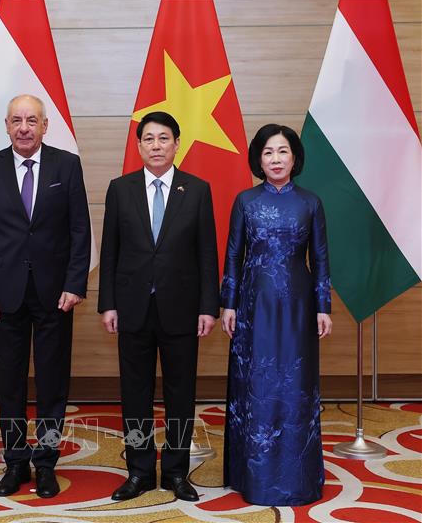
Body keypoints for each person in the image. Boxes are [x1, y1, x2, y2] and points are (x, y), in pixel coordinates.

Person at [0, 94, 91, 498]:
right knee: (10, 384)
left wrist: (75, 283)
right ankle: (15, 462)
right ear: (6, 126)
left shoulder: (66, 165)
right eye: (17, 121)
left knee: (53, 384)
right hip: (4, 295)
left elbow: (80, 229)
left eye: (32, 120)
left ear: (45, 126)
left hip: (55, 293)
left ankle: (46, 462)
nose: (24, 128)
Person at [98, 111, 220, 502]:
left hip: (182, 308)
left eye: (163, 138)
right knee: (135, 396)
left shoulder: (196, 189)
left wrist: (209, 306)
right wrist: (107, 304)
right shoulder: (120, 189)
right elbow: (110, 250)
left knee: (180, 396)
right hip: (132, 306)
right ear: (138, 146)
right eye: (148, 139)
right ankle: (138, 471)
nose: (156, 146)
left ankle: (176, 472)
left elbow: (207, 253)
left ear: (176, 144)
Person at [220, 124, 332, 506]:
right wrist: (229, 303)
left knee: (296, 385)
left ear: (294, 157)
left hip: (299, 306)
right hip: (254, 306)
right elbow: (233, 254)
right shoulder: (245, 201)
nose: (276, 159)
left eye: (283, 151)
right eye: (268, 152)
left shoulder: (311, 202)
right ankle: (252, 476)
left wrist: (323, 307)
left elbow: (320, 258)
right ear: (259, 159)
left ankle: (297, 476)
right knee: (256, 384)